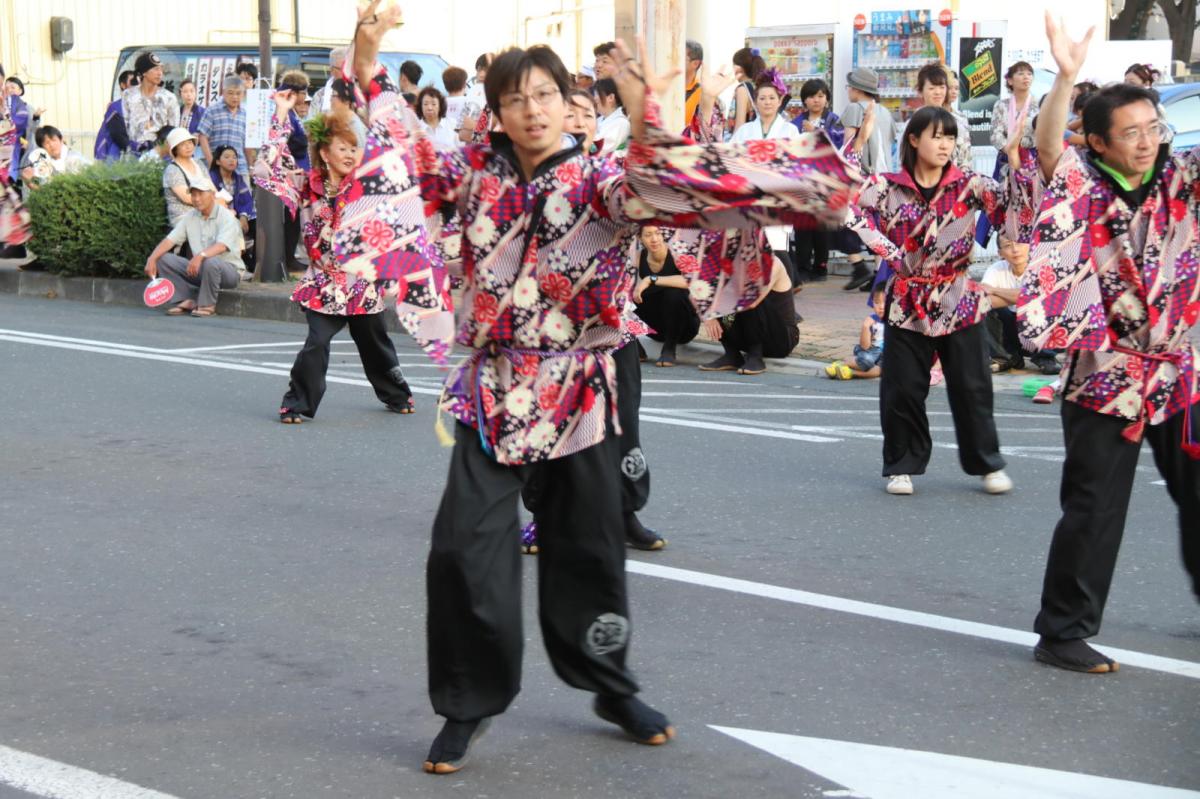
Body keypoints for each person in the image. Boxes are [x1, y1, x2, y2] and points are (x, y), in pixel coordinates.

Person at [323, 6, 856, 770]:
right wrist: (369, 52)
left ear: (566, 99)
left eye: (543, 94)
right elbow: (397, 141)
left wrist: (647, 103)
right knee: (461, 552)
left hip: (577, 389)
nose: (531, 109)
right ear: (498, 111)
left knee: (591, 552)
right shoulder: (469, 177)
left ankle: (610, 682)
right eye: (515, 99)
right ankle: (468, 701)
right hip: (494, 389)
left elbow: (670, 181)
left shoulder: (602, 180)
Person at [1018, 15, 1200, 675]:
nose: (1149, 141)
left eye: (1155, 128)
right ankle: (1062, 630)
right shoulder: (1082, 187)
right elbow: (1044, 149)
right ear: (1097, 142)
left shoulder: (1183, 179)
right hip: (1105, 373)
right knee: (1094, 506)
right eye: (1132, 132)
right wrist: (1066, 77)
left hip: (1177, 370)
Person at [848, 104, 1027, 497]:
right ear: (913, 140)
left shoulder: (972, 185)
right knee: (903, 388)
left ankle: (986, 463)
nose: (945, 144)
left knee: (972, 386)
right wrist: (884, 249)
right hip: (907, 298)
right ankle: (902, 465)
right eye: (936, 136)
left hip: (958, 297)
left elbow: (1015, 211)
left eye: (950, 136)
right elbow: (844, 203)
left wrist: (1014, 159)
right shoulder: (886, 186)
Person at [255, 73, 417, 423]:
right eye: (342, 147)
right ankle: (297, 404)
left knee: (376, 345)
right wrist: (282, 116)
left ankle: (397, 394)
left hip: (361, 281)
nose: (350, 154)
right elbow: (264, 169)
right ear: (325, 152)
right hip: (323, 283)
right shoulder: (306, 186)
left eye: (354, 148)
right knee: (316, 342)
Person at [729, 69, 801, 285]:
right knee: (752, 251)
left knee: (777, 250)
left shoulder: (790, 130)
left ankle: (786, 295)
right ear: (755, 102)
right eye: (762, 98)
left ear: (780, 101)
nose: (767, 102)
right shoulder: (744, 131)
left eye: (772, 98)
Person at [143, 173, 244, 317]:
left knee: (210, 261)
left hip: (229, 272)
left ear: (212, 195)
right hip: (201, 268)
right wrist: (151, 258)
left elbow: (222, 246)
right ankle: (185, 299)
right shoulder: (190, 216)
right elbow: (169, 240)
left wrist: (200, 256)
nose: (196, 199)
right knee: (163, 259)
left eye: (201, 194)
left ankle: (207, 305)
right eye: (193, 195)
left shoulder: (226, 216)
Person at [840, 67, 896, 292]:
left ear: (855, 88)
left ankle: (858, 265)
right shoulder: (885, 111)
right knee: (878, 226)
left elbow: (850, 144)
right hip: (884, 177)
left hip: (861, 176)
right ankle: (879, 275)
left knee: (844, 221)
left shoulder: (854, 108)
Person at [697, 256, 799, 375]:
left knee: (748, 295)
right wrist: (708, 315)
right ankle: (732, 354)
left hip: (781, 340)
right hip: (747, 335)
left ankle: (756, 356)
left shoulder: (773, 263)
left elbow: (753, 302)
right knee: (720, 291)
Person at [981, 235, 1058, 374]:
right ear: (1000, 253)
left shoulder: (1041, 265)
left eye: (1020, 243)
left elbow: (1039, 297)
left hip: (1038, 330)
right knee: (984, 308)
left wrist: (995, 290)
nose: (1015, 250)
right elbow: (984, 299)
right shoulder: (995, 269)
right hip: (1010, 329)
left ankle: (1045, 357)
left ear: (1030, 245)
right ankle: (1007, 358)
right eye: (1008, 246)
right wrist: (1023, 296)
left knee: (1038, 305)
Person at [791, 78, 842, 282]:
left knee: (821, 224)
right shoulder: (796, 122)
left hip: (825, 178)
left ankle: (820, 265)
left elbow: (838, 144)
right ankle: (803, 265)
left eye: (821, 96)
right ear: (804, 100)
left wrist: (816, 133)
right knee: (803, 223)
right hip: (802, 178)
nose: (816, 100)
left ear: (827, 99)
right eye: (812, 96)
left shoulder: (833, 120)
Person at [633, 225, 699, 367]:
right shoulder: (638, 258)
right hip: (655, 330)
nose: (654, 239)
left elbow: (692, 281)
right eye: (648, 235)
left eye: (658, 233)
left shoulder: (678, 253)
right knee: (622, 298)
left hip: (684, 327)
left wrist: (651, 279)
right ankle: (635, 348)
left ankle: (669, 349)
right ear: (640, 238)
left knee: (673, 293)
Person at [122, 51, 180, 155]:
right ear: (144, 72)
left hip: (160, 155)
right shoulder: (128, 95)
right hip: (133, 154)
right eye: (156, 69)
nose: (160, 73)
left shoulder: (169, 97)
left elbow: (174, 129)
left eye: (161, 69)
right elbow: (124, 125)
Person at [916, 63, 971, 170]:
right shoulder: (915, 121)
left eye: (942, 87)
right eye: (932, 88)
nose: (938, 92)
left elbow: (965, 157)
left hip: (956, 181)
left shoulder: (957, 120)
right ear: (920, 91)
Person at [209, 144, 255, 268]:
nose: (232, 160)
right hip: (218, 216)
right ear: (218, 161)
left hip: (237, 216)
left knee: (257, 224)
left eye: (234, 157)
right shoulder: (211, 178)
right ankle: (241, 260)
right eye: (227, 157)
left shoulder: (238, 178)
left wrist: (244, 216)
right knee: (233, 224)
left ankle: (255, 262)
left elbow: (247, 201)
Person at [826, 286, 885, 380]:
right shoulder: (871, 321)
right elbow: (865, 346)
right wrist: (865, 327)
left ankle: (850, 373)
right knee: (867, 361)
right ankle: (842, 364)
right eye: (877, 302)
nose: (881, 306)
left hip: (884, 355)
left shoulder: (894, 321)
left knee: (881, 370)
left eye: (885, 302)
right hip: (870, 351)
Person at [198, 76, 250, 180]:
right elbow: (203, 137)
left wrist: (251, 166)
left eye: (238, 93)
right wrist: (212, 162)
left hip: (240, 169)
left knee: (245, 196)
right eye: (230, 93)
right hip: (218, 169)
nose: (235, 97)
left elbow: (247, 144)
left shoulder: (246, 114)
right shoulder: (212, 110)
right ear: (223, 92)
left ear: (243, 94)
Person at [161, 127, 207, 226]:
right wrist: (213, 204)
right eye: (182, 144)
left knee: (229, 215)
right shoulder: (172, 169)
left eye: (190, 142)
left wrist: (220, 202)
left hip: (204, 209)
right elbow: (187, 198)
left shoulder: (199, 163)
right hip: (183, 215)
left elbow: (211, 188)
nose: (188, 147)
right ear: (175, 149)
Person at [19, 126, 90, 189]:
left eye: (54, 140)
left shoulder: (75, 159)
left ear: (61, 140)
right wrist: (29, 182)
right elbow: (46, 192)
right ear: (42, 148)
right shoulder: (45, 166)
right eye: (47, 143)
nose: (51, 145)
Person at [96, 70, 136, 162]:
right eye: (133, 82)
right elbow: (105, 133)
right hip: (117, 155)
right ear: (123, 85)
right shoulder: (115, 107)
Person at [729, 47, 765, 134]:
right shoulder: (758, 86)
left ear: (740, 68)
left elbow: (739, 126)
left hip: (742, 143)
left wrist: (733, 144)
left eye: (733, 65)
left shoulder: (742, 89)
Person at [327, 79, 368, 148]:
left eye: (333, 95)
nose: (330, 99)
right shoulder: (341, 122)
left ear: (346, 100)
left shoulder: (355, 126)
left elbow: (360, 154)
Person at [442, 66, 478, 142]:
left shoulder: (439, 103)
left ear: (445, 85)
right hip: (463, 145)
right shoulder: (470, 103)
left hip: (443, 143)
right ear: (464, 84)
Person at [309, 47, 348, 117]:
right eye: (342, 69)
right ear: (331, 70)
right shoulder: (320, 95)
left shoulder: (359, 92)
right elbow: (311, 123)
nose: (346, 73)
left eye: (348, 68)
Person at [593, 78, 629, 153]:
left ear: (611, 98)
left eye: (597, 93)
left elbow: (599, 150)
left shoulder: (621, 123)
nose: (594, 98)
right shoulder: (599, 120)